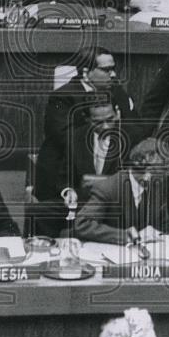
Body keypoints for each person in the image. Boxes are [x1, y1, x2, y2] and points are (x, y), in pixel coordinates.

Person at [32, 101, 130, 238]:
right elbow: (64, 177)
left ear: (117, 113)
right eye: (98, 122)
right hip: (82, 200)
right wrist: (68, 191)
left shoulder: (131, 137)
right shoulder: (75, 138)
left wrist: (102, 181)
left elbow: (133, 177)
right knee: (39, 212)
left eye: (110, 119)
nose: (106, 126)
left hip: (115, 203)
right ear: (88, 120)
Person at [74, 137, 169, 245]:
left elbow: (165, 225)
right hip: (112, 253)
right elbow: (82, 224)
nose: (164, 177)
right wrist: (122, 235)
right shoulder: (108, 188)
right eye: (159, 171)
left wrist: (161, 234)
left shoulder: (157, 187)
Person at [44, 47, 141, 148]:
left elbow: (135, 126)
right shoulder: (63, 97)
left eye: (113, 69)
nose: (113, 74)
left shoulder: (116, 90)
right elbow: (63, 138)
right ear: (86, 72)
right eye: (106, 70)